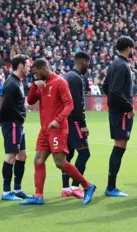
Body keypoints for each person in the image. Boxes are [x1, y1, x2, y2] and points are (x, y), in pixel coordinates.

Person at [21, 58, 95, 205]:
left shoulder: (60, 82)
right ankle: (38, 195)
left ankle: (88, 186)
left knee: (60, 163)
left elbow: (69, 105)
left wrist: (58, 120)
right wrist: (35, 86)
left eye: (36, 73)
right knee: (38, 160)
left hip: (58, 129)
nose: (34, 76)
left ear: (43, 69)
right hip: (44, 129)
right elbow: (30, 101)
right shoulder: (40, 83)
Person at [0, 54, 31, 201]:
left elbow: (15, 103)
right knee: (11, 156)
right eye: (27, 65)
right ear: (20, 66)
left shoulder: (18, 82)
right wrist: (1, 120)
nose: (29, 68)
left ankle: (17, 189)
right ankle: (6, 192)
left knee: (23, 155)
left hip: (18, 124)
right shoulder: (12, 83)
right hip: (13, 124)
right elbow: (5, 104)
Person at [102, 36, 135, 197]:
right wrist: (128, 106)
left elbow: (105, 86)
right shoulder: (123, 65)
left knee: (119, 145)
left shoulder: (114, 63)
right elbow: (114, 90)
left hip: (115, 110)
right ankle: (111, 187)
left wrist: (112, 102)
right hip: (121, 112)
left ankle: (111, 186)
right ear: (128, 48)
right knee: (120, 146)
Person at [61, 52, 92, 198]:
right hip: (74, 122)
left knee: (68, 155)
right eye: (88, 64)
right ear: (84, 62)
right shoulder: (76, 78)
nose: (89, 67)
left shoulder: (67, 76)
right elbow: (77, 104)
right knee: (84, 153)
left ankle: (66, 188)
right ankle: (74, 186)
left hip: (65, 121)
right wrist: (83, 124)